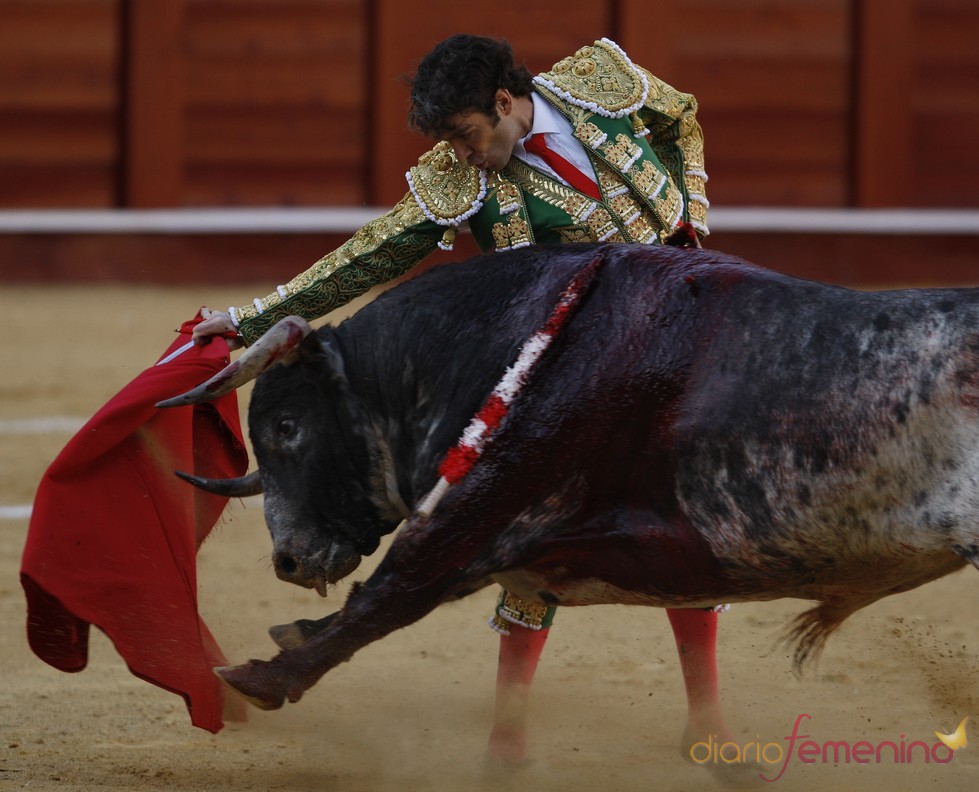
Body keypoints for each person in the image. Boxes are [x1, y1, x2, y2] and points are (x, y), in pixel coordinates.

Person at [194, 34, 725, 764]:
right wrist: (255, 318)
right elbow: (371, 252)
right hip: (566, 373)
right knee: (530, 534)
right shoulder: (459, 179)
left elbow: (679, 117)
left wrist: (692, 209)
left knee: (682, 521)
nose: (462, 154)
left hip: (677, 342)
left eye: (467, 135)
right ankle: (507, 733)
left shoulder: (601, 81)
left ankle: (705, 723)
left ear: (504, 103)